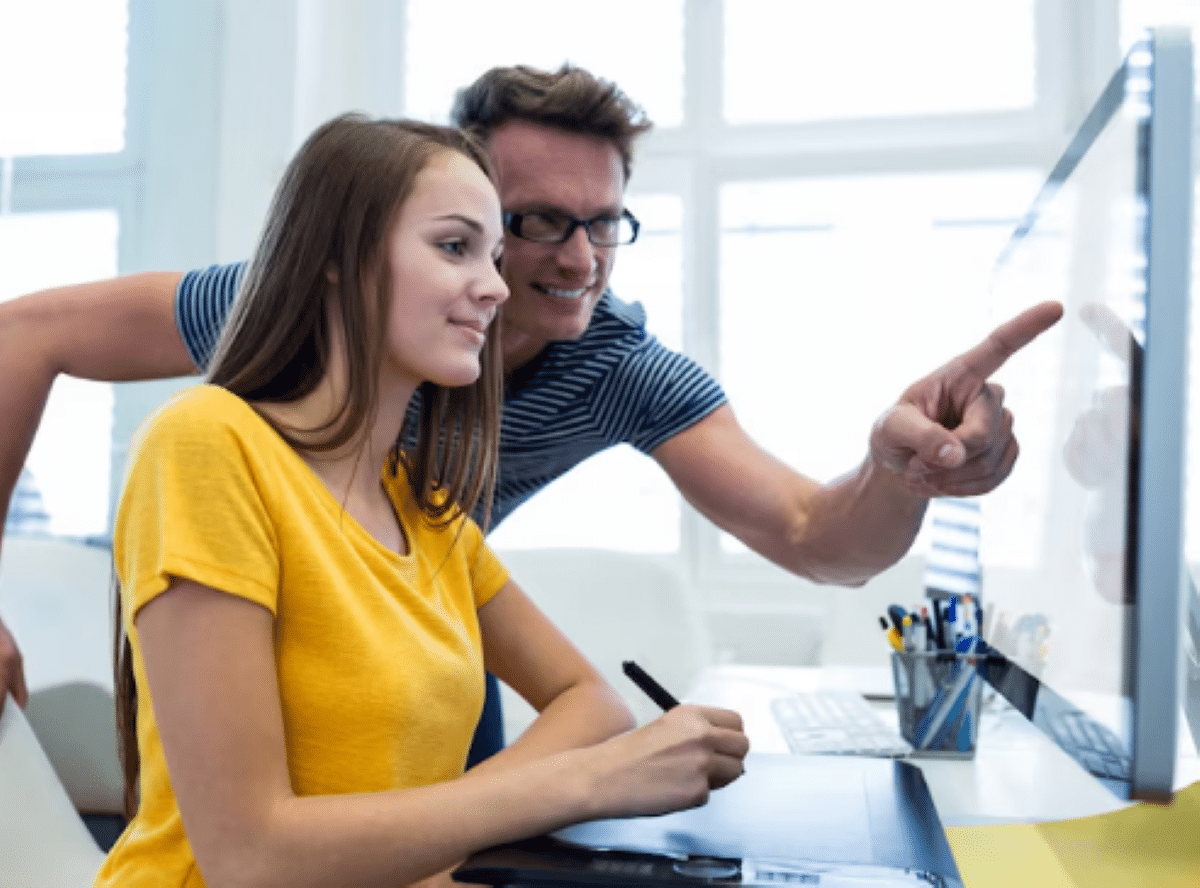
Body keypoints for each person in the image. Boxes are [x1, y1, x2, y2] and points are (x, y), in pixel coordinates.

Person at [0, 64, 1062, 751]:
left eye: (603, 224)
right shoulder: (298, 306)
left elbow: (815, 537)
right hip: (242, 652)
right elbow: (26, 333)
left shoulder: (609, 367)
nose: (575, 258)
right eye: (532, 221)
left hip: (415, 648)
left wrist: (898, 468)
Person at [94, 113, 749, 887]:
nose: (497, 286)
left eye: (496, 256)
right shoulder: (207, 443)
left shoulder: (424, 507)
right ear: (338, 259)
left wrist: (447, 835)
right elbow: (250, 854)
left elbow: (592, 703)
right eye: (454, 247)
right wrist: (588, 781)